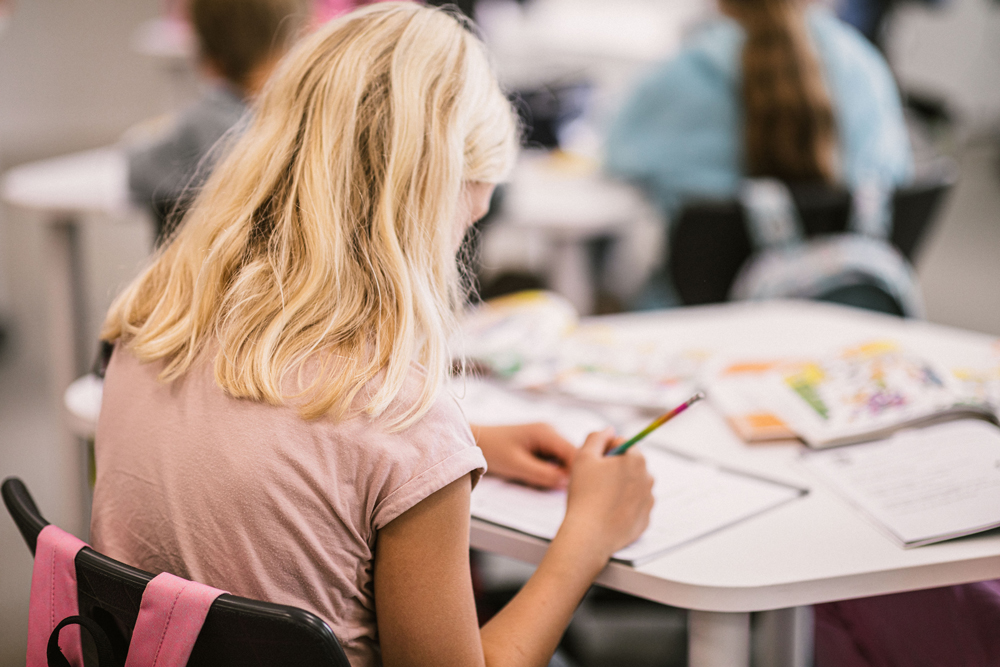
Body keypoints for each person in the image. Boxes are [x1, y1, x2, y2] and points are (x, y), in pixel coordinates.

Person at [92, 5, 655, 667]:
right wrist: (586, 539)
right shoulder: (403, 425)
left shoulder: (152, 319)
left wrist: (456, 457)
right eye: (467, 220)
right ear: (432, 203)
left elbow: (291, 448)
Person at [605, 0, 913, 220]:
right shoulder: (866, 70)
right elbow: (897, 178)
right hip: (837, 305)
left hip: (698, 310)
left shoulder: (681, 78)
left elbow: (616, 157)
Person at [128, 0, 310, 244]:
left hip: (203, 273)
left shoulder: (201, 123)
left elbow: (136, 169)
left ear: (207, 59)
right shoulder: (297, 122)